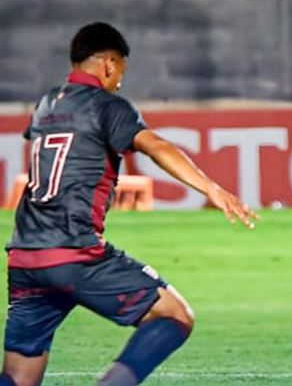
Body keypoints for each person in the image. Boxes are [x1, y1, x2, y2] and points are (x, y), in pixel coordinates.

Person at [1, 22, 259, 386]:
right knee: (175, 316)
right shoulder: (107, 105)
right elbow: (157, 146)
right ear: (109, 64)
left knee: (18, 376)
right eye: (121, 69)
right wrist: (211, 188)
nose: (120, 80)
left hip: (25, 257)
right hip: (74, 252)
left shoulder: (45, 106)